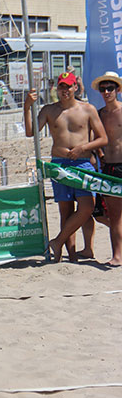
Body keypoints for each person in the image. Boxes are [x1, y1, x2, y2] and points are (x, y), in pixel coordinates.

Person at [24, 71, 108, 262]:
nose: (65, 90)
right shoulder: (49, 110)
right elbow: (31, 132)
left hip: (83, 163)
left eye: (68, 86)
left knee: (87, 207)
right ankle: (71, 255)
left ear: (75, 87)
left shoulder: (87, 109)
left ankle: (58, 241)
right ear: (57, 89)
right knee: (65, 210)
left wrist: (83, 148)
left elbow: (103, 138)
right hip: (60, 164)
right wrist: (27, 107)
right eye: (61, 86)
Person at [92, 71, 122, 265]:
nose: (106, 92)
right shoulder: (99, 114)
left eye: (110, 88)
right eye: (103, 89)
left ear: (117, 89)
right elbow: (94, 139)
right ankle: (117, 255)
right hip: (109, 167)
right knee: (112, 214)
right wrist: (99, 155)